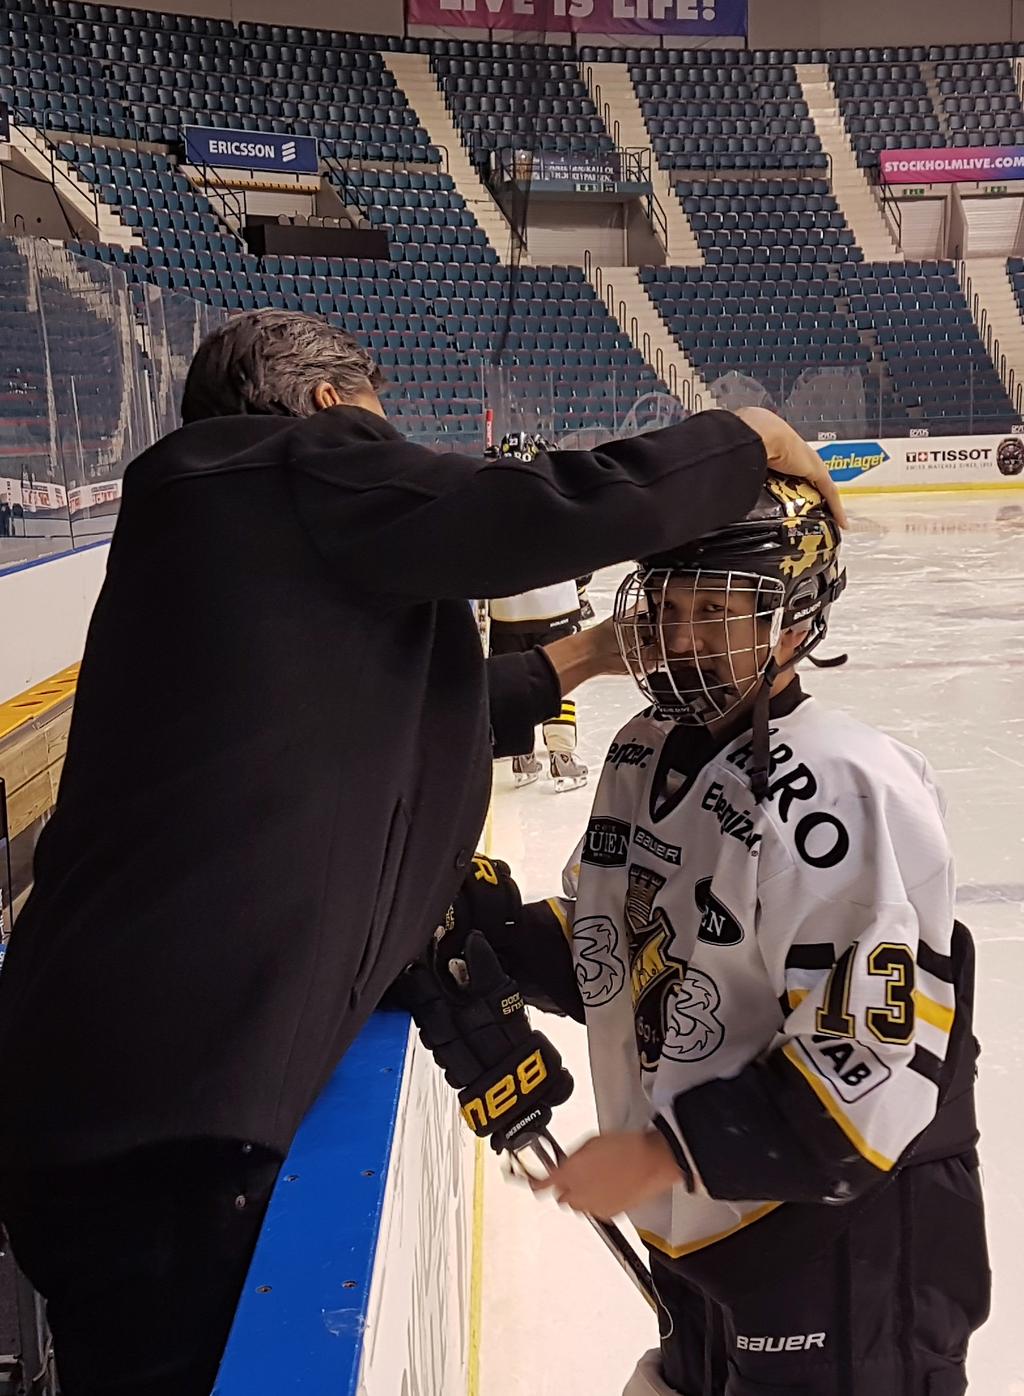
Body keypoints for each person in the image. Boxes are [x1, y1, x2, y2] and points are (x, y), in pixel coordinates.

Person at [0, 309, 843, 1396]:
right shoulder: (291, 467)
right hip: (162, 1129)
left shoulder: (230, 534)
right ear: (325, 405)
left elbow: (364, 730)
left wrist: (580, 659)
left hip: (96, 1103)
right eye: (377, 425)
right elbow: (530, 509)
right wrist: (740, 436)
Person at [445, 478, 988, 1395]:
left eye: (717, 610)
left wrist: (661, 1153)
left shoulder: (848, 793)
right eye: (666, 606)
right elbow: (622, 952)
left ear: (793, 620)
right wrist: (484, 934)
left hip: (842, 1232)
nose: (684, 637)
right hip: (707, 1215)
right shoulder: (640, 748)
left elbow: (870, 1065)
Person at [487, 433, 590, 792]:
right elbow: (583, 558)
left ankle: (522, 755)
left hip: (506, 613)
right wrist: (580, 592)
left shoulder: (486, 505)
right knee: (559, 677)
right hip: (555, 609)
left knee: (517, 680)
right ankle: (561, 759)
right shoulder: (558, 500)